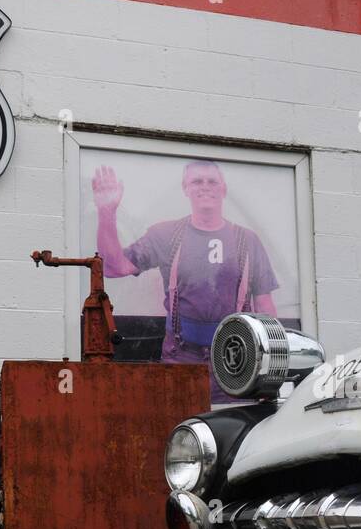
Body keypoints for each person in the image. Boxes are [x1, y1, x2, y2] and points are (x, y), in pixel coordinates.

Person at [92, 159, 280, 404]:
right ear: (185, 188)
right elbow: (113, 267)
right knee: (180, 432)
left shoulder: (247, 240)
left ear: (223, 189)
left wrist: (272, 373)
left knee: (237, 430)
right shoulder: (166, 235)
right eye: (197, 181)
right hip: (181, 360)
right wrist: (106, 212)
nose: (205, 187)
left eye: (212, 181)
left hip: (238, 359)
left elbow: (266, 308)